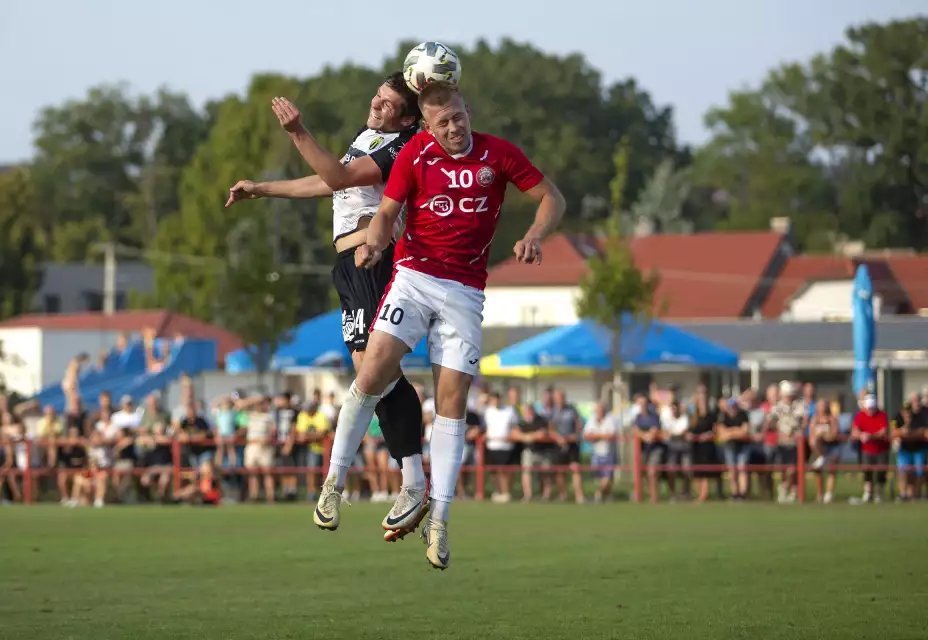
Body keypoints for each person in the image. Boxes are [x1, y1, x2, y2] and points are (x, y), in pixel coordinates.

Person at [324, 81, 565, 569]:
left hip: (464, 292)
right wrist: (373, 243)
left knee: (452, 402)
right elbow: (386, 212)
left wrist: (535, 233)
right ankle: (334, 483)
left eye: (458, 117)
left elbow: (551, 198)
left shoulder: (498, 153)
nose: (453, 128)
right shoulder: (415, 153)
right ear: (428, 127)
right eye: (442, 122)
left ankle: (440, 520)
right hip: (413, 278)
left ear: (467, 111)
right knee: (370, 374)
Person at [226, 72, 427, 528]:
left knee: (372, 372)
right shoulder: (369, 135)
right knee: (375, 374)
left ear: (409, 117)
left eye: (389, 103)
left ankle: (394, 481)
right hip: (348, 267)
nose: (376, 104)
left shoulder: (400, 148)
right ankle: (409, 482)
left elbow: (335, 174)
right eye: (377, 95)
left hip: (373, 258)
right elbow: (329, 181)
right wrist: (262, 188)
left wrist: (298, 131)